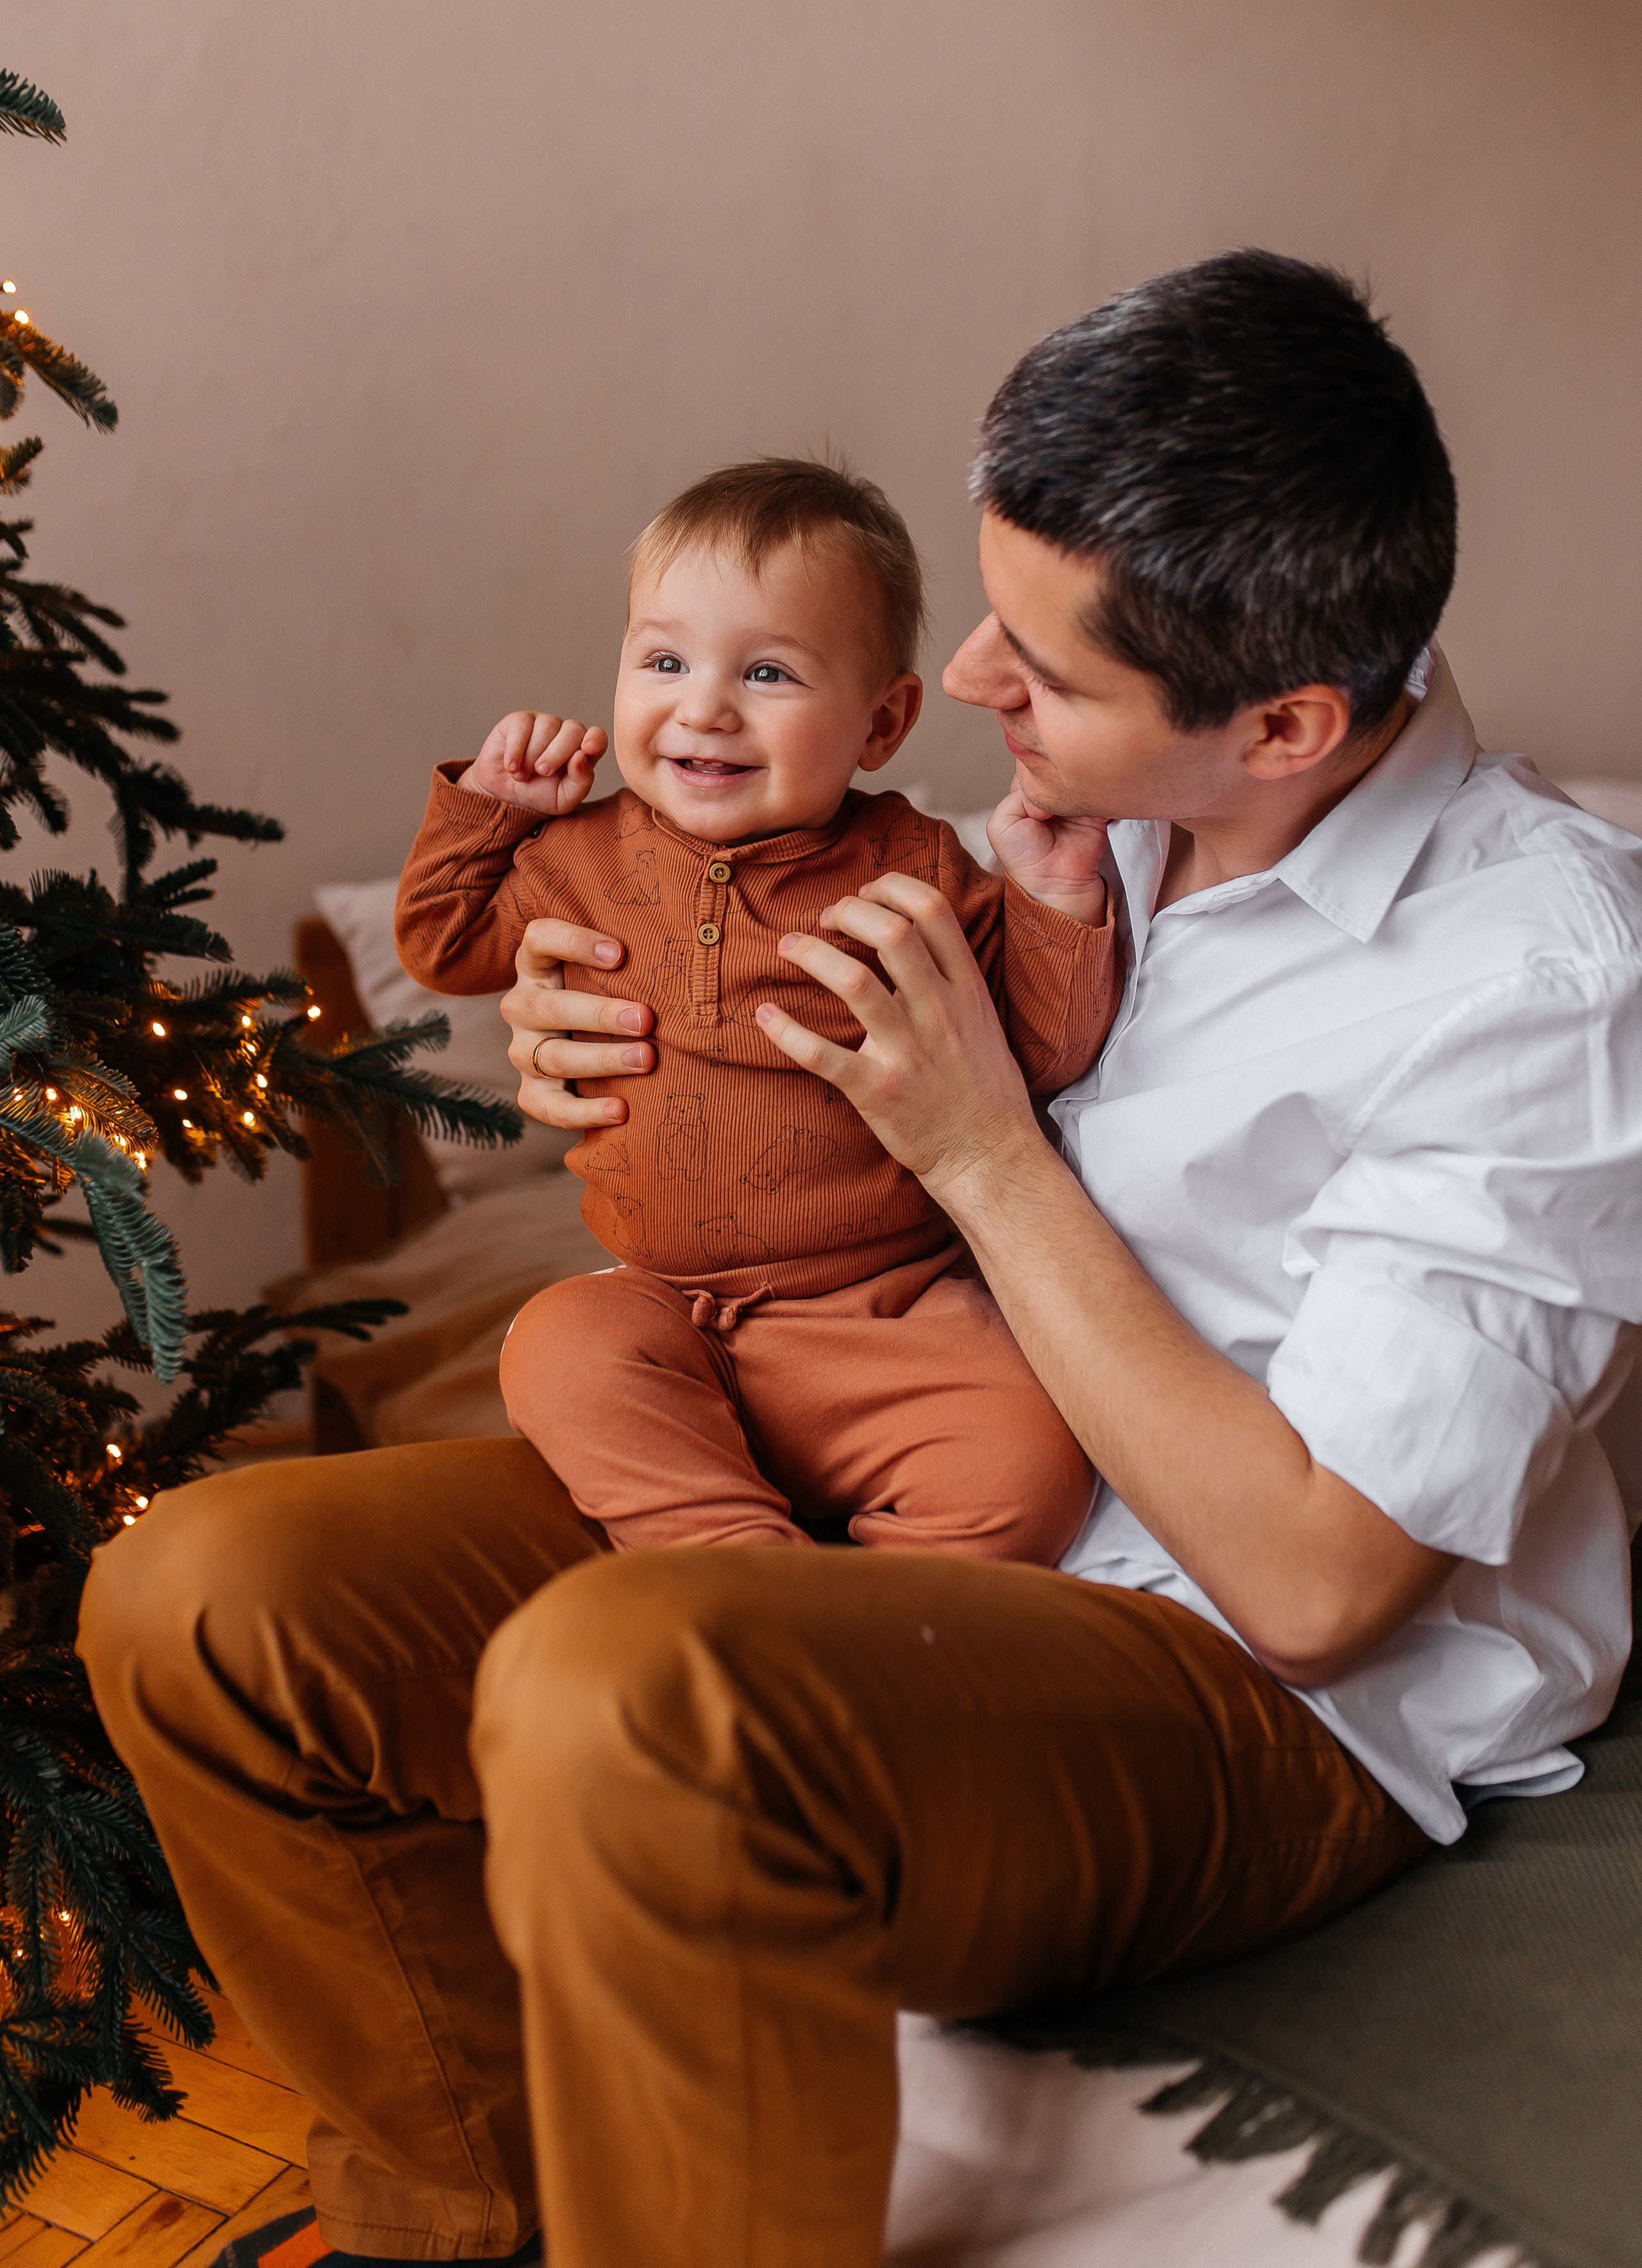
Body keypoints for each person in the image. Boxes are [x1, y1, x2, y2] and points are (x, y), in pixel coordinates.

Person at [80, 250, 1642, 2268]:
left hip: (1240, 1674)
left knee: (630, 1683)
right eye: (998, 615)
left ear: (1289, 721)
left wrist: (983, 1149)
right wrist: (601, 1043)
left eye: (1050, 673)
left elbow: (1326, 1581)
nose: (981, 684)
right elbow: (704, 976)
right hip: (851, 1481)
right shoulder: (1067, 823)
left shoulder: (1545, 971)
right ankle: (476, 2216)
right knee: (205, 1593)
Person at [394, 456, 1117, 1561]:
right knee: (556, 1343)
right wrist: (491, 810)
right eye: (665, 660)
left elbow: (1043, 1049)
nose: (704, 707)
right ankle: (734, 1566)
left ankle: (864, 1618)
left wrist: (1055, 905)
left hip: (887, 1313)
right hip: (665, 1310)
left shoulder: (912, 868)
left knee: (1025, 1463)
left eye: (769, 673)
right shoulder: (578, 854)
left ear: (882, 723)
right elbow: (444, 944)